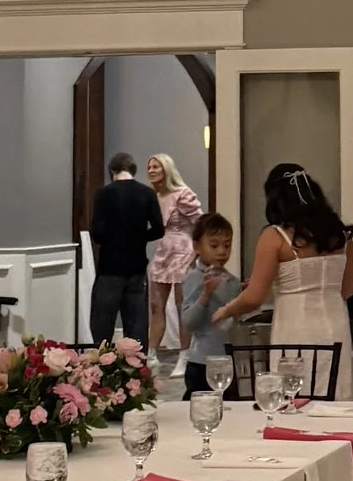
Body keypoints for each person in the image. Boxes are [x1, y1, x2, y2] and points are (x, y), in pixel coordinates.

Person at [216, 162, 353, 355]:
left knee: (294, 383)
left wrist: (225, 310)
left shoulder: (275, 237)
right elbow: (349, 288)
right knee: (334, 383)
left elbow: (254, 298)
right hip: (337, 327)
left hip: (295, 329)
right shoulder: (341, 236)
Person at [85, 151, 162, 347]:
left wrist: (114, 238)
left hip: (109, 268)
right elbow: (159, 229)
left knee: (102, 327)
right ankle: (137, 372)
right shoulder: (147, 193)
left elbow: (97, 233)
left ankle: (101, 368)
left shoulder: (104, 193)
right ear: (133, 170)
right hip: (136, 267)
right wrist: (138, 238)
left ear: (112, 170)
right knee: (136, 329)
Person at [172, 212, 242, 393]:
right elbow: (188, 322)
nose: (222, 251)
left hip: (228, 359)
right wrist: (206, 294)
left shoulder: (233, 281)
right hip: (202, 361)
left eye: (227, 245)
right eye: (214, 245)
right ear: (197, 247)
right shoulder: (194, 278)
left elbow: (233, 322)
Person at [143, 151, 203, 351]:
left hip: (183, 251)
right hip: (163, 252)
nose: (151, 170)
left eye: (156, 166)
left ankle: (184, 355)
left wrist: (196, 254)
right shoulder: (154, 197)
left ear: (166, 169)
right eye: (149, 167)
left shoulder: (183, 193)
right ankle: (151, 354)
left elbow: (200, 225)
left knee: (181, 306)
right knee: (156, 307)